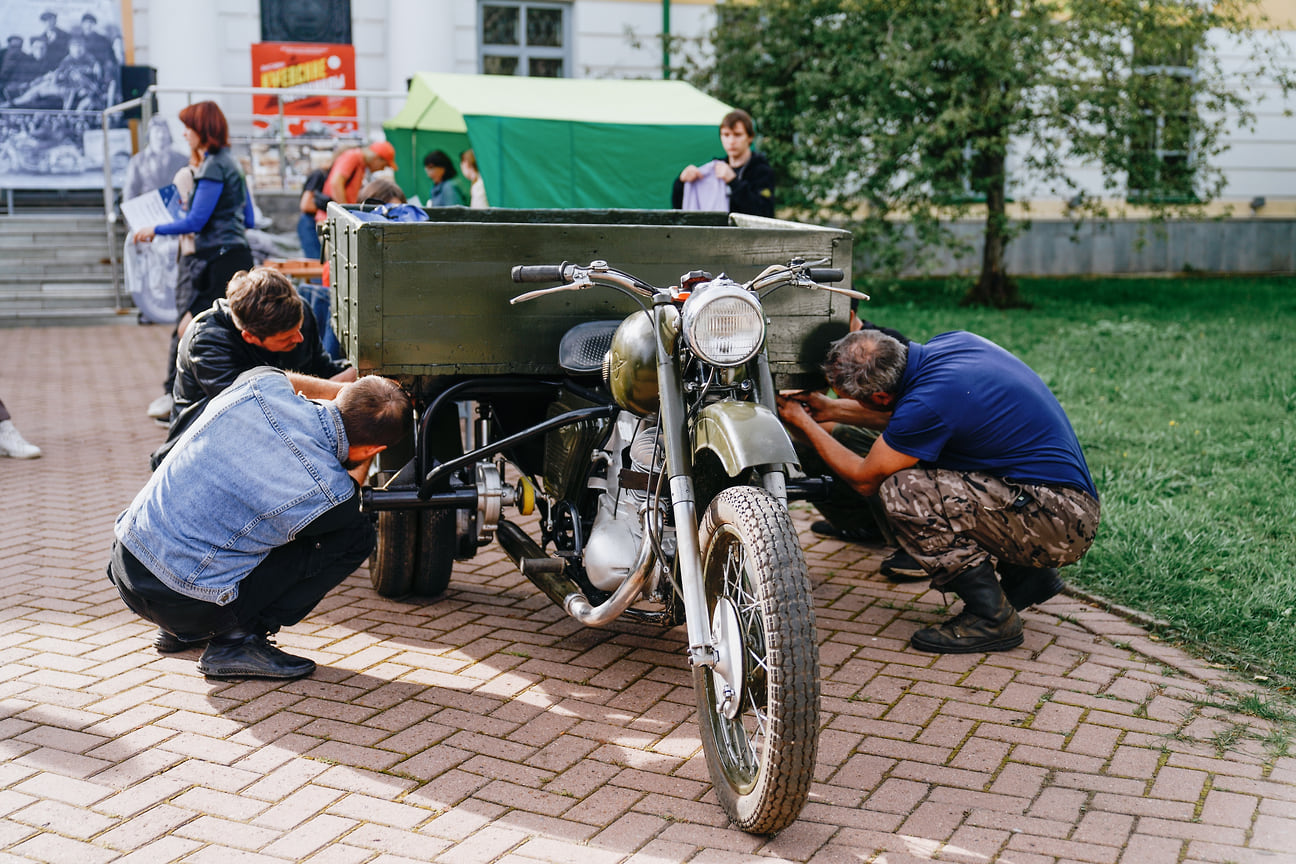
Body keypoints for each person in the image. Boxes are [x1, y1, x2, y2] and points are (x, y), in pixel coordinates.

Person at [778, 329, 1101, 654]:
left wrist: (803, 423)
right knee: (909, 469)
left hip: (1057, 520)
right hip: (1051, 500)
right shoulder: (952, 345)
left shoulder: (929, 401)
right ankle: (1026, 578)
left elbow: (865, 479)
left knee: (904, 492)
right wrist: (830, 409)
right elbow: (908, 417)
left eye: (851, 398)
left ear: (879, 397)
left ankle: (992, 618)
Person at [108, 369, 411, 679]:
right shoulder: (328, 491)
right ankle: (235, 641)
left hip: (126, 562)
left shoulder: (260, 385)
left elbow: (283, 376)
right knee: (353, 535)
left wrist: (348, 392)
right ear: (374, 450)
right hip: (184, 601)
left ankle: (180, 629)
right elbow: (348, 499)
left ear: (338, 395)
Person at [152, 266, 356, 470]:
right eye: (286, 338)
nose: (299, 338)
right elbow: (257, 402)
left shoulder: (297, 313)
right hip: (200, 456)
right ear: (249, 336)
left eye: (299, 329)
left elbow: (321, 370)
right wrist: (343, 390)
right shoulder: (206, 341)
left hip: (264, 446)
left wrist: (360, 374)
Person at [131, 101, 255, 334]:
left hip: (219, 260)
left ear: (203, 129)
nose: (184, 134)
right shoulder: (232, 162)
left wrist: (154, 229)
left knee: (191, 330)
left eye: (189, 127)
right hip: (236, 255)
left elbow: (196, 222)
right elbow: (249, 219)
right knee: (225, 330)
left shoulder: (213, 166)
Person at [672, 109, 775, 218]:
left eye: (737, 135)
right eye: (726, 135)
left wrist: (733, 182)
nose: (731, 141)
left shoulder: (762, 171)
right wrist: (681, 183)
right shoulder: (713, 169)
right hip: (716, 234)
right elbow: (683, 207)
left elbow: (764, 212)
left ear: (750, 138)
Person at [322, 140, 398, 210]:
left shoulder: (361, 164)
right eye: (384, 165)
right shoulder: (353, 157)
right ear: (377, 158)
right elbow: (336, 183)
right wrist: (345, 212)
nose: (382, 169)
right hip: (330, 216)